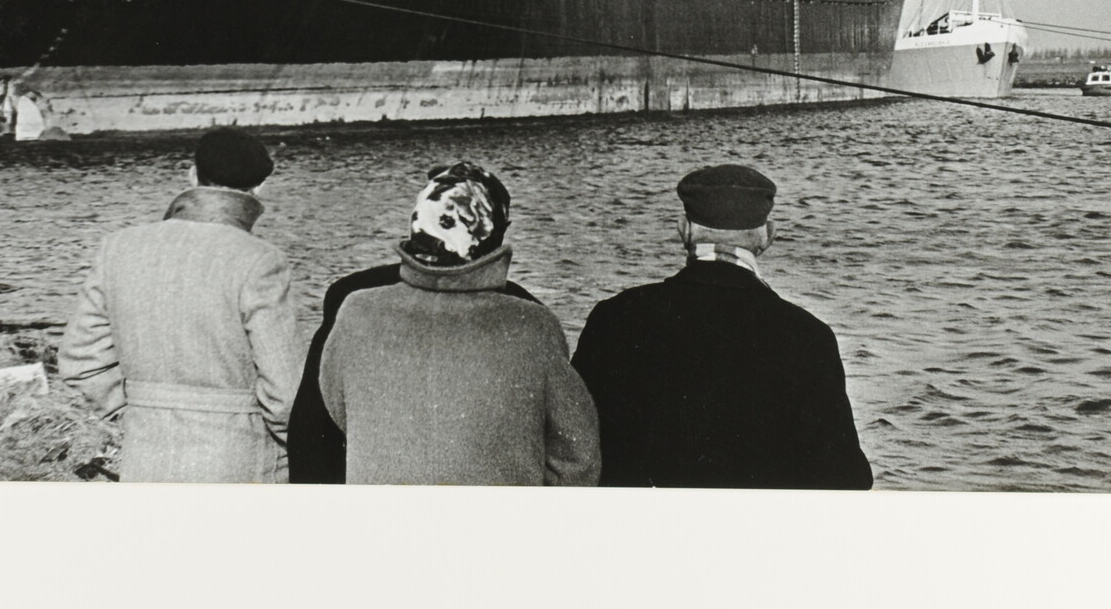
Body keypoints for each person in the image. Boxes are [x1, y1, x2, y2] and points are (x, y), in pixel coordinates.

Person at [570, 163, 873, 489]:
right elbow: (846, 477)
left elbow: (570, 443)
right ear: (768, 235)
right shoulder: (808, 336)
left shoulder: (614, 318)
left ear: (683, 229)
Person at [315, 164, 600, 486]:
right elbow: (577, 456)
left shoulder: (356, 310)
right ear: (498, 233)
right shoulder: (532, 324)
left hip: (384, 524)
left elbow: (338, 410)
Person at [54, 127, 302, 482]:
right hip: (239, 459)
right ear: (261, 187)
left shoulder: (118, 247)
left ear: (191, 174)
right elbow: (286, 391)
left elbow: (81, 361)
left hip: (145, 455)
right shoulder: (261, 260)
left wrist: (138, 411)